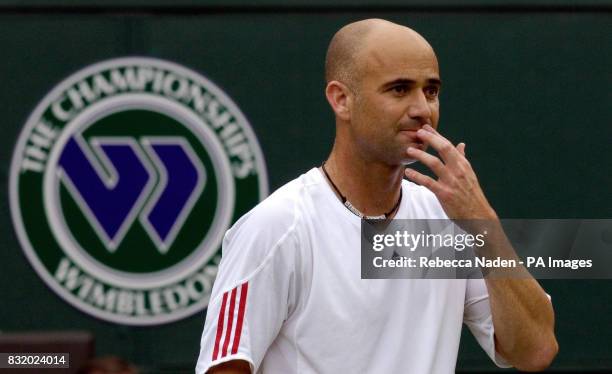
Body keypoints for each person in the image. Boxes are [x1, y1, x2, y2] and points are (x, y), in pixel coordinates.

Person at [195, 18, 558, 374]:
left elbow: (535, 351)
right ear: (341, 100)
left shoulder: (449, 220)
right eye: (399, 89)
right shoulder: (278, 227)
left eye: (430, 91)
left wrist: (482, 220)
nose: (422, 110)